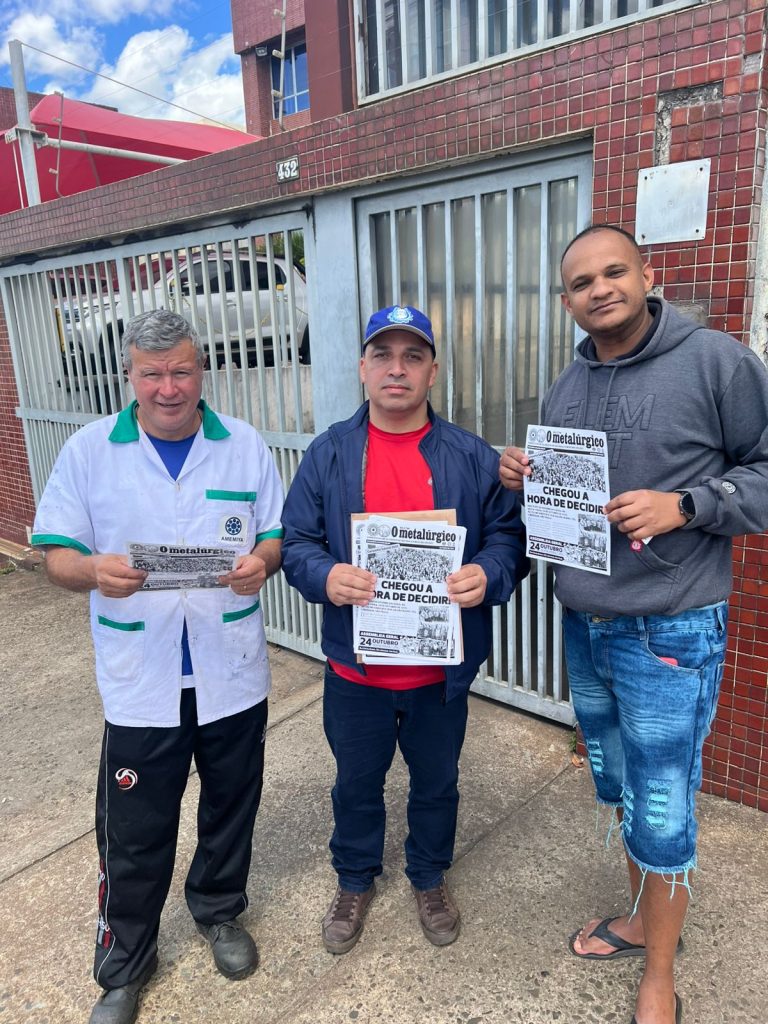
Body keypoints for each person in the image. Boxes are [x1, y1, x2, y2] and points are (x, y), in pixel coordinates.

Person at [499, 225, 768, 1024]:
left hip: (671, 632)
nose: (600, 289)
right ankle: (643, 924)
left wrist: (686, 505)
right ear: (567, 302)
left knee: (662, 808)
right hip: (587, 626)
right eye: (581, 283)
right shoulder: (566, 386)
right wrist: (525, 478)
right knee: (620, 791)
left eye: (613, 272)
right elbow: (566, 503)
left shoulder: (717, 363)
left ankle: (658, 977)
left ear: (648, 275)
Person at [31, 309, 284, 1024]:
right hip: (141, 679)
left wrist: (261, 563)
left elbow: (272, 534)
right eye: (152, 374)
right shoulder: (89, 451)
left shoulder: (243, 444)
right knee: (135, 829)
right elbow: (55, 556)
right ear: (129, 376)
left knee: (230, 806)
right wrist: (92, 570)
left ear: (202, 371)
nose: (168, 388)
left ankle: (219, 910)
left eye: (181, 371)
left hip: (231, 670)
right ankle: (124, 964)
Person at [281, 304, 529, 955]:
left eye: (412, 356)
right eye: (383, 356)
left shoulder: (471, 457)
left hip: (438, 675)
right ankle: (354, 878)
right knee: (355, 785)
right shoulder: (329, 453)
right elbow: (296, 541)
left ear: (432, 372)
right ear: (363, 368)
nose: (397, 369)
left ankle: (429, 875)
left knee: (437, 784)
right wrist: (326, 574)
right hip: (355, 670)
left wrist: (487, 572)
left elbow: (509, 538)